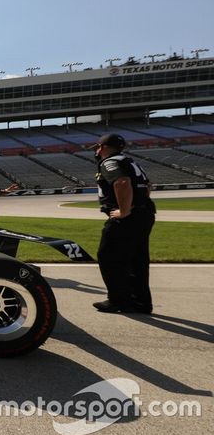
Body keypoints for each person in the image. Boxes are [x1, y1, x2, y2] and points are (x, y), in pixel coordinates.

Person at [92, 133, 155, 314]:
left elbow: (121, 182)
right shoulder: (129, 160)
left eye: (97, 147)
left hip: (127, 219)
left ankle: (118, 301)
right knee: (137, 260)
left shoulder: (109, 162)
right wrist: (137, 205)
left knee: (108, 257)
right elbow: (148, 186)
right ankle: (140, 302)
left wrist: (125, 210)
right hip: (145, 213)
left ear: (102, 147)